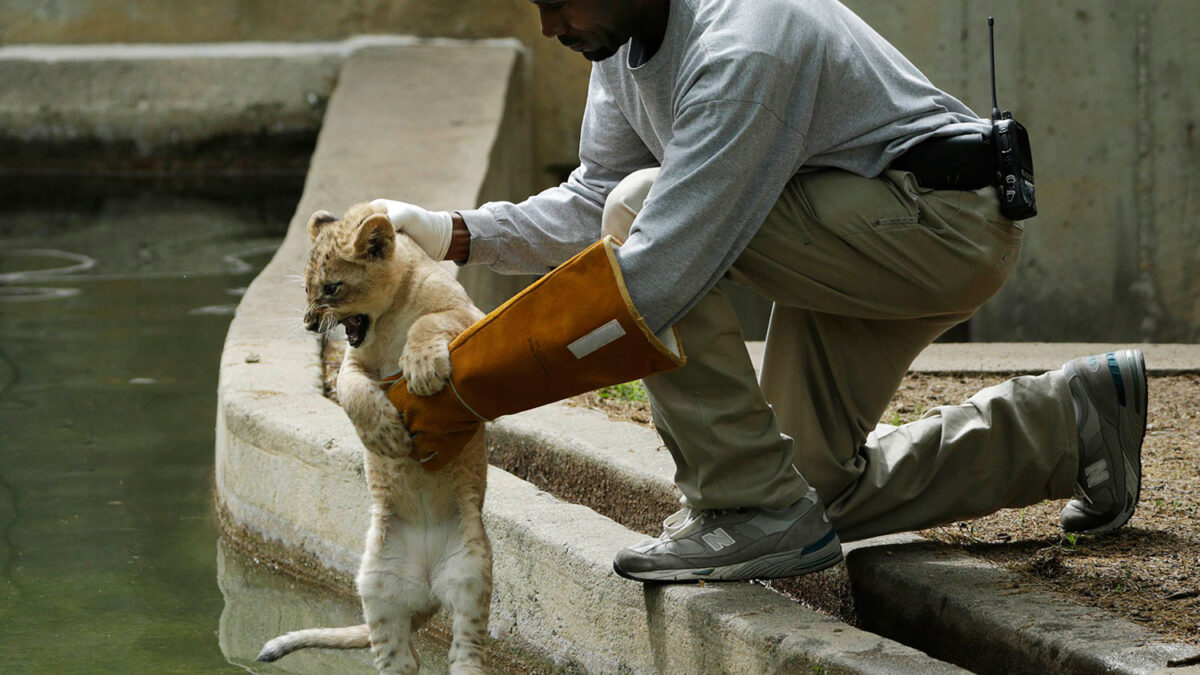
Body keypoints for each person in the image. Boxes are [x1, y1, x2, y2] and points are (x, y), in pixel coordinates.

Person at [371, 0, 1147, 583]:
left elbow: (656, 272)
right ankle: (1075, 422)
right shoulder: (618, 44)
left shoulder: (745, 44)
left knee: (647, 212)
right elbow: (589, 201)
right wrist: (451, 231)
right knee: (812, 492)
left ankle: (744, 505)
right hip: (857, 222)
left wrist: (461, 387)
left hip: (938, 224)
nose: (548, 25)